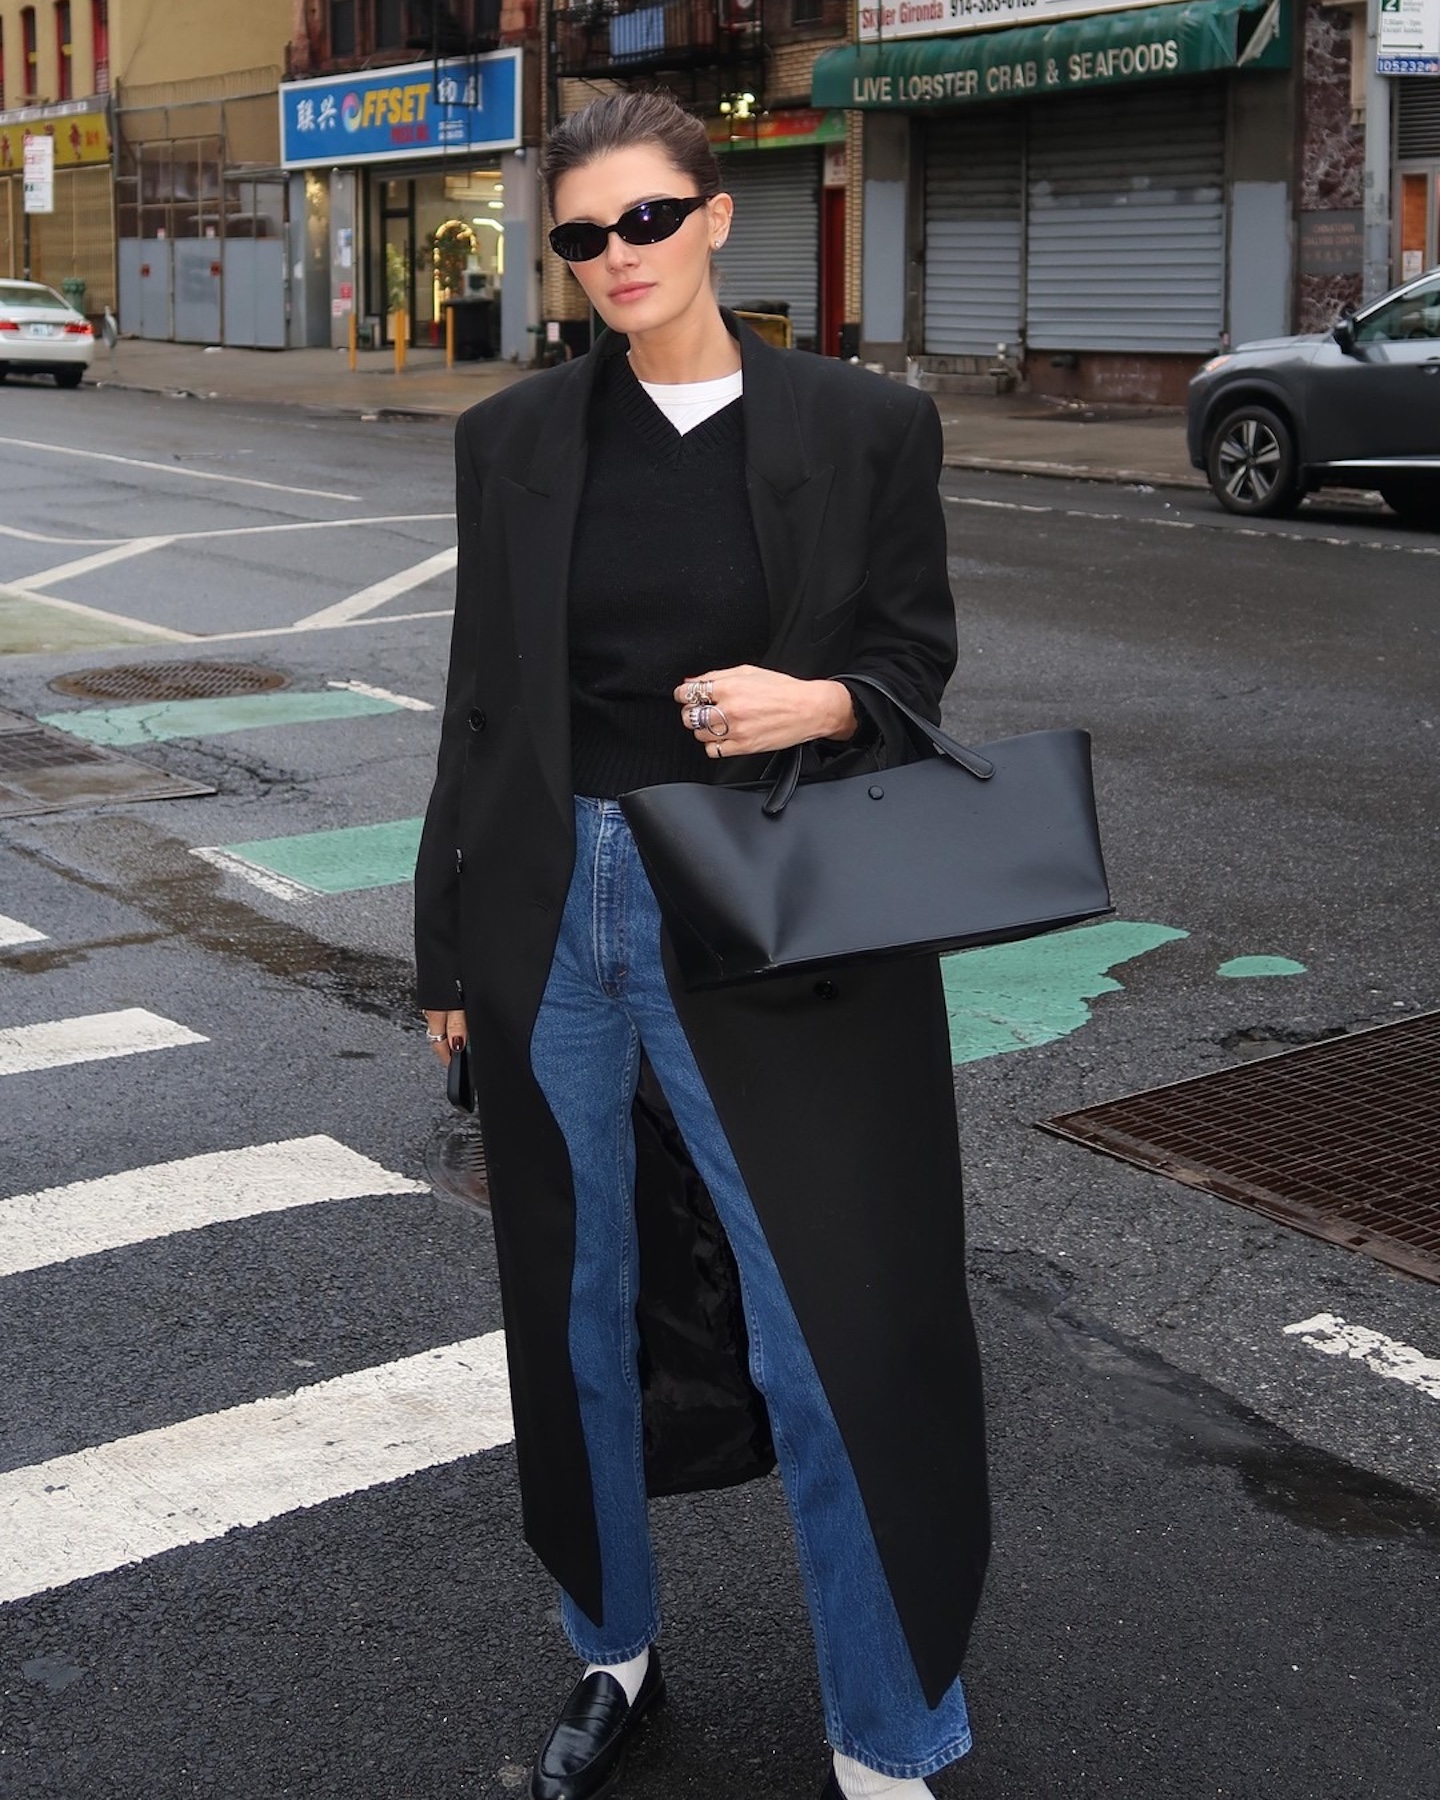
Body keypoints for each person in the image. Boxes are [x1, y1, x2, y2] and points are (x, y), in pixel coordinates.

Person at [415, 88, 989, 1800]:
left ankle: (891, 1735)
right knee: (569, 1302)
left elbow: (912, 663)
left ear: (719, 218)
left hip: (762, 903)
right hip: (550, 910)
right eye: (581, 237)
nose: (616, 260)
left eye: (647, 221)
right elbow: (481, 709)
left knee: (837, 1319)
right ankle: (613, 1650)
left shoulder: (862, 426)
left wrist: (819, 698)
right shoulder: (512, 440)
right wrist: (447, 957)